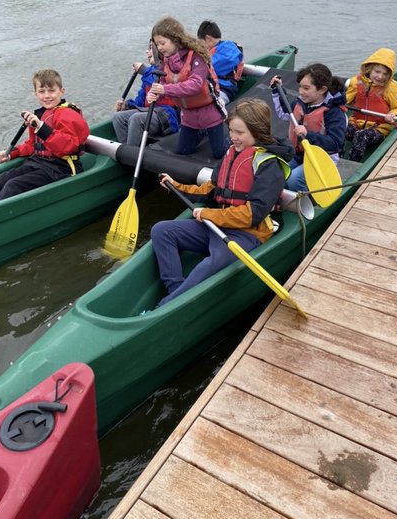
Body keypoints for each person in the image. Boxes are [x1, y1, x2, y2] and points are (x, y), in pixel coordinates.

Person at [150, 99, 294, 307]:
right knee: (162, 231)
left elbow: (253, 214)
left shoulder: (269, 165)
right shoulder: (232, 152)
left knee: (208, 266)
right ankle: (176, 293)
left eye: (239, 132)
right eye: (231, 130)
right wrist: (178, 186)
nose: (233, 137)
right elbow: (210, 188)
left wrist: (209, 214)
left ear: (258, 131)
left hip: (247, 233)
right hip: (217, 226)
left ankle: (163, 307)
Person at [0, 68, 90, 204]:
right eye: (42, 91)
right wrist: (12, 154)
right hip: (39, 162)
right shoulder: (40, 115)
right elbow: (33, 145)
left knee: (14, 185)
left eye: (52, 91)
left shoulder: (68, 114)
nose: (47, 96)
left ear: (61, 91)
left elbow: (68, 146)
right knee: (2, 178)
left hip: (62, 167)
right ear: (35, 94)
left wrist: (41, 128)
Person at [148, 16, 228, 159]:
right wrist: (155, 94)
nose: (159, 48)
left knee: (219, 153)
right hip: (188, 116)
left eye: (162, 43)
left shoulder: (197, 57)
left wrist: (165, 90)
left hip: (209, 113)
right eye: (157, 44)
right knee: (184, 151)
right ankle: (201, 132)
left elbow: (196, 84)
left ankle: (225, 138)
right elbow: (162, 85)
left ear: (175, 39)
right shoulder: (164, 63)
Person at [270, 63, 347, 193]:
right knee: (275, 173)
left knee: (293, 179)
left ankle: (308, 200)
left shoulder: (334, 112)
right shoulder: (301, 102)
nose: (301, 92)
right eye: (300, 86)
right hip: (300, 155)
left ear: (322, 89)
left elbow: (335, 143)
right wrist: (277, 90)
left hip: (322, 159)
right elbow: (285, 113)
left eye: (306, 88)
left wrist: (308, 135)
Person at [344, 47, 397, 161]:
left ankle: (352, 163)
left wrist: (393, 115)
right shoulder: (356, 81)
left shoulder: (391, 87)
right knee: (341, 130)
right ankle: (336, 158)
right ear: (369, 69)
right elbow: (346, 99)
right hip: (356, 122)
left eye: (385, 74)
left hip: (379, 128)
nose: (380, 76)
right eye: (377, 72)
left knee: (360, 136)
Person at [112, 45, 180, 147]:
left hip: (167, 116)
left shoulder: (171, 69)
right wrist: (126, 106)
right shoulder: (150, 72)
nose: (147, 52)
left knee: (136, 119)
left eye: (151, 49)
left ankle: (130, 155)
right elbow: (140, 101)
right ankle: (127, 152)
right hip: (148, 112)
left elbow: (159, 82)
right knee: (118, 117)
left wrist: (144, 70)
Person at [197, 19, 244, 104]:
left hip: (223, 90)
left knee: (210, 106)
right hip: (207, 87)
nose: (201, 47)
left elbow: (212, 66)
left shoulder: (229, 48)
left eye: (201, 43)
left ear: (208, 39)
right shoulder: (210, 51)